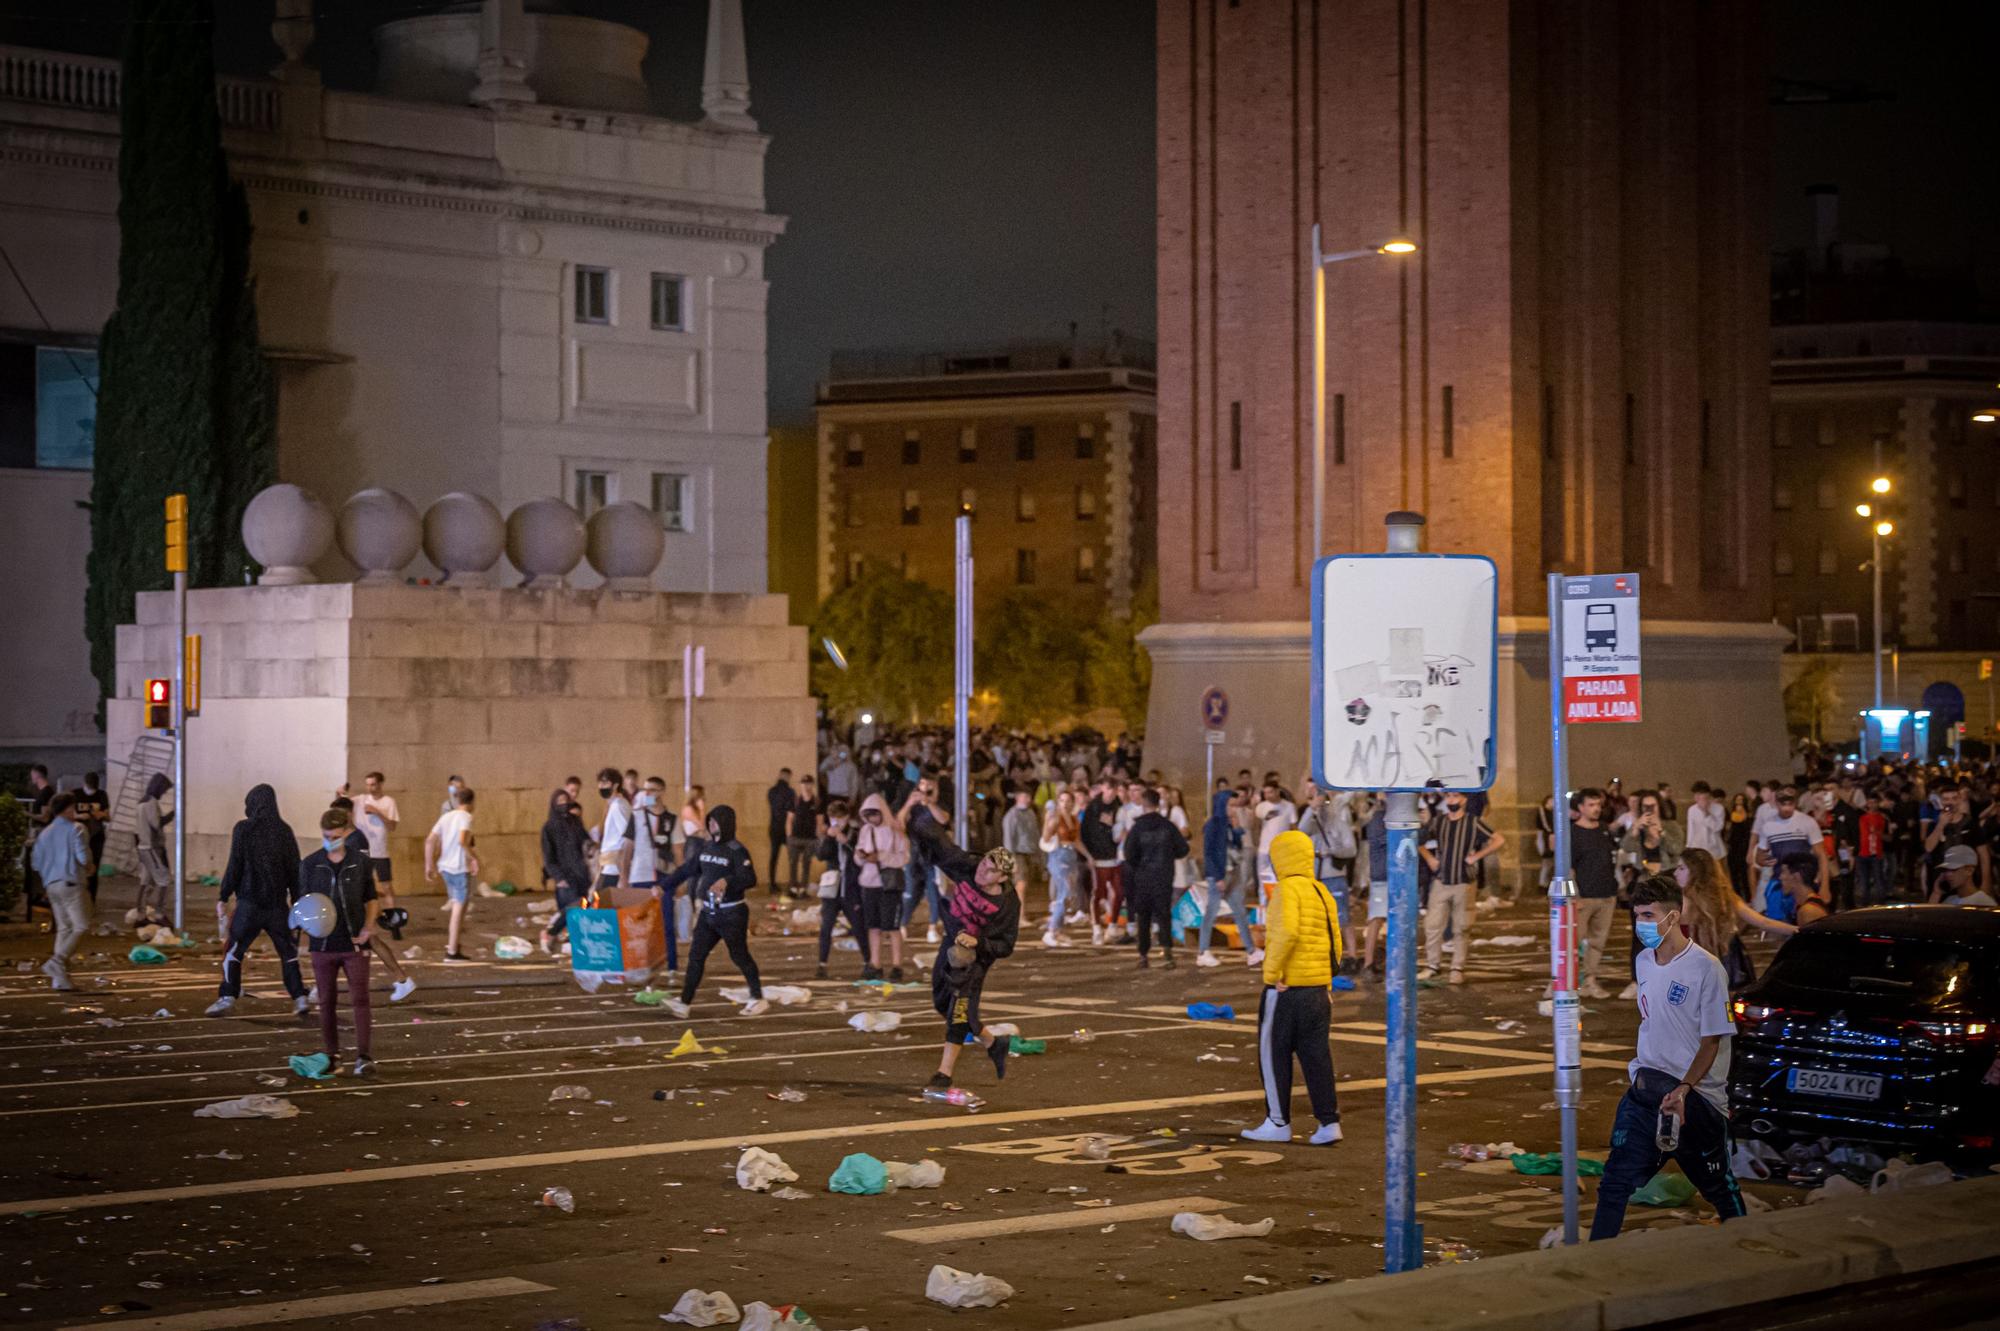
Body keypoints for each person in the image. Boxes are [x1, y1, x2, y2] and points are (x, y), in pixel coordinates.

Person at [1588, 874, 1747, 1240]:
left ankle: (1746, 1247)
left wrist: (1685, 1090)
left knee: (1719, 1187)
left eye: (1648, 915)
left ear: (1673, 917)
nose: (1641, 924)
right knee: (1614, 1183)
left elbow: (1711, 1042)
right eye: (1637, 915)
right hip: (1647, 1092)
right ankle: (1594, 1258)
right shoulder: (1644, 961)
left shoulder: (1706, 969)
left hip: (1696, 1101)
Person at [1240, 828, 1345, 1145]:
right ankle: (1328, 1122)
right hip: (1317, 989)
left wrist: (1272, 974)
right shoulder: (1320, 890)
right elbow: (1335, 940)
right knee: (1317, 1056)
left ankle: (1278, 1121)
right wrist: (1327, 977)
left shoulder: (1287, 891)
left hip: (1287, 989)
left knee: (1273, 1056)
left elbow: (1286, 934)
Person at [914, 826, 1021, 1095]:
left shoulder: (1007, 904)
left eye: (992, 869)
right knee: (941, 1002)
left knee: (960, 1012)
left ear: (1003, 877)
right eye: (986, 861)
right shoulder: (967, 866)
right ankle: (993, 1043)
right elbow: (943, 849)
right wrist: (919, 822)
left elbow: (1006, 945)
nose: (984, 870)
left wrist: (979, 942)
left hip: (974, 959)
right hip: (951, 945)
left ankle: (944, 1074)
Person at [208, 784, 309, 1017]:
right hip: (276, 905)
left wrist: (223, 895)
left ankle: (227, 996)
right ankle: (299, 997)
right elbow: (294, 869)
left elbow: (235, 864)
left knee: (234, 950)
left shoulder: (243, 829)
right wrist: (297, 901)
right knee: (288, 951)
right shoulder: (284, 830)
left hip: (249, 903)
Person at [657, 805, 766, 1018]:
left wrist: (728, 880)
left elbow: (750, 878)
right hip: (709, 913)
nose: (711, 825)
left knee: (739, 955)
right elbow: (687, 869)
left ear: (725, 823)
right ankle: (684, 1003)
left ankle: (757, 998)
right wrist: (664, 885)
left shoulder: (737, 850)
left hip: (732, 913)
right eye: (710, 821)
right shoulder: (706, 848)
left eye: (715, 821)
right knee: (696, 956)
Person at [301, 808, 377, 1076]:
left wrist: (368, 928)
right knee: (327, 1001)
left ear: (346, 832)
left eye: (334, 835)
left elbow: (371, 898)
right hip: (322, 945)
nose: (329, 840)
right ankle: (332, 1055)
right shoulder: (311, 864)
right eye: (325, 835)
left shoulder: (360, 862)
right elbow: (302, 903)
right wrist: (303, 927)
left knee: (360, 999)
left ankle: (363, 1056)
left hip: (354, 943)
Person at [1674, 847, 1793, 990]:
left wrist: (1798, 930)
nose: (1675, 873)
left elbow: (1762, 921)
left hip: (1719, 970)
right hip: (1689, 973)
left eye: (1681, 868)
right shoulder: (1676, 901)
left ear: (1696, 872)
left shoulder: (1722, 898)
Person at [1418, 791, 1502, 985]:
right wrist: (1430, 859)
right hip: (1441, 880)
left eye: (1455, 797)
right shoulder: (1439, 822)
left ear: (1464, 800)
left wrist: (1476, 856)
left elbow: (1498, 839)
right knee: (1432, 925)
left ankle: (1457, 967)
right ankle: (1433, 965)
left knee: (1462, 927)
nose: (1451, 801)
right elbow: (1418, 840)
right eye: (1448, 797)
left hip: (1464, 881)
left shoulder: (1473, 822)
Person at [345, 772, 416, 1002]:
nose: (370, 788)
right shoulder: (357, 804)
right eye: (367, 785)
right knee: (362, 941)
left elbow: (393, 826)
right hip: (359, 894)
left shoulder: (386, 804)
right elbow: (344, 799)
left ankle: (392, 922)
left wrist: (377, 812)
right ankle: (401, 980)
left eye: (374, 784)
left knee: (384, 889)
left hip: (378, 854)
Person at [1122, 787, 1190, 969]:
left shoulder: (1138, 827)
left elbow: (1129, 854)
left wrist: (1139, 866)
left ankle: (1143, 954)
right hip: (1164, 875)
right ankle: (1167, 952)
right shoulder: (1167, 826)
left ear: (1144, 804)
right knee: (1163, 914)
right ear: (1158, 803)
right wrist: (1168, 856)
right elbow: (1183, 849)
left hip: (1143, 876)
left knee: (1143, 916)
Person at [32, 793, 91, 990]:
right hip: (71, 882)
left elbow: (36, 863)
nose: (75, 813)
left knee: (64, 928)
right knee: (81, 926)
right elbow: (83, 858)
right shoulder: (76, 829)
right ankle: (57, 961)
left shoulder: (45, 833)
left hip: (51, 884)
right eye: (73, 809)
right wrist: (90, 866)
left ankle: (60, 980)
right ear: (66, 809)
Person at [1570, 789, 1620, 1000]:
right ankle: (1566, 984)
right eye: (1591, 805)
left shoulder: (1603, 829)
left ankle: (1590, 980)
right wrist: (1575, 896)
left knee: (1598, 942)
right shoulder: (1572, 833)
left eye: (1598, 805)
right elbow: (1568, 868)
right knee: (1572, 942)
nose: (1596, 809)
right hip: (1584, 896)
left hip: (1606, 894)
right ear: (1580, 808)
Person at [856, 792, 910, 980]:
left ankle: (897, 965)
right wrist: (862, 856)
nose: (872, 819)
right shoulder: (866, 830)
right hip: (869, 883)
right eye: (868, 815)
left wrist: (881, 857)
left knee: (892, 926)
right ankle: (875, 963)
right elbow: (857, 855)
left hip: (890, 885)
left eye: (875, 814)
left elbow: (904, 857)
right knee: (873, 926)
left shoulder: (895, 830)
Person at [423, 785, 478, 962]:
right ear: (472, 802)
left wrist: (429, 864)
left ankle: (455, 947)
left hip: (445, 867)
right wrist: (474, 858)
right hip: (459, 867)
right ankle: (452, 950)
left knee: (457, 906)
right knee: (458, 908)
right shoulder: (466, 817)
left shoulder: (446, 817)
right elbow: (463, 841)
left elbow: (430, 840)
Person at [538, 790, 594, 959]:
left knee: (583, 908)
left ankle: (569, 943)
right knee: (571, 910)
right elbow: (549, 857)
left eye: (566, 800)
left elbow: (586, 843)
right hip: (565, 877)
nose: (564, 804)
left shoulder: (575, 822)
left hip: (582, 875)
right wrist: (558, 877)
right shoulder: (548, 828)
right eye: (560, 801)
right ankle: (552, 932)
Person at [1082, 780, 1123, 945]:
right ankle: (1097, 928)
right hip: (1098, 857)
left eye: (1114, 789)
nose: (1111, 793)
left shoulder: (1118, 805)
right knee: (1097, 893)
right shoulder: (1094, 807)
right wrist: (1089, 856)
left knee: (1119, 891)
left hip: (1115, 855)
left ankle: (1112, 924)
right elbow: (1087, 831)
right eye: (1109, 789)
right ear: (1103, 789)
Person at [132, 774, 175, 926]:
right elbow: (157, 824)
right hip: (153, 848)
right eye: (164, 790)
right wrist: (173, 813)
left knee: (146, 882)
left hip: (143, 847)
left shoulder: (141, 802)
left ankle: (140, 915)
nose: (163, 793)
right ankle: (159, 914)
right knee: (164, 880)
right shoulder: (151, 803)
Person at [71, 771, 110, 903]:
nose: (91, 792)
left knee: (93, 866)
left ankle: (91, 898)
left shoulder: (102, 795)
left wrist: (100, 814)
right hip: (79, 835)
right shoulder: (75, 794)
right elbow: (68, 814)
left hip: (96, 835)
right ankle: (79, 897)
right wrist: (79, 816)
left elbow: (108, 816)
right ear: (84, 784)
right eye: (89, 789)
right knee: (78, 865)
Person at [594, 767, 634, 890]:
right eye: (600, 783)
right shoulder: (613, 805)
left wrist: (623, 874)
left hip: (614, 868)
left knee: (602, 905)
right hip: (608, 866)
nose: (601, 786)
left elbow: (627, 836)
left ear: (615, 785)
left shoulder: (618, 805)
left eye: (605, 783)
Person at [1773, 851, 1833, 926]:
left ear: (1797, 877)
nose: (1780, 877)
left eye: (1783, 872)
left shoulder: (1809, 911)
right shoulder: (1802, 905)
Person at [1001, 788, 1040, 902]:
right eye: (1025, 796)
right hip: (1018, 853)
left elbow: (1035, 833)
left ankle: (1022, 912)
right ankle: (1020, 915)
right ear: (1017, 797)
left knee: (1026, 884)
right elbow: (1008, 839)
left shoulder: (1030, 812)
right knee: (1021, 883)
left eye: (1029, 797)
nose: (1028, 800)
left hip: (1030, 852)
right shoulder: (1011, 816)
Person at [1931, 844, 1997, 907]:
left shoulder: (1985, 903)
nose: (1947, 874)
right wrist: (1936, 893)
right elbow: (1929, 917)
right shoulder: (1949, 900)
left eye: (1953, 869)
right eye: (1946, 870)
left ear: (1969, 871)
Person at [1856, 794, 1891, 907]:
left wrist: (1877, 832)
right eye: (1870, 802)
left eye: (1874, 802)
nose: (1872, 805)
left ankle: (1880, 903)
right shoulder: (1862, 818)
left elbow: (1889, 837)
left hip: (1877, 853)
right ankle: (1864, 904)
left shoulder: (1883, 818)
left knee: (1878, 879)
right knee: (1864, 881)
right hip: (1862, 853)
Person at [765, 768, 796, 891]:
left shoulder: (771, 791)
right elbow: (791, 810)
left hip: (773, 827)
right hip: (786, 828)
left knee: (774, 856)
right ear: (788, 777)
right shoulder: (790, 792)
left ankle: (772, 884)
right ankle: (792, 884)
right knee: (792, 857)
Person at [1684, 782, 1725, 860]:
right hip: (1696, 846)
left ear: (1708, 795)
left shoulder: (1719, 808)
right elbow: (1690, 830)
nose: (1697, 797)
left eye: (1699, 794)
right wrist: (1688, 846)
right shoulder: (1692, 809)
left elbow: (1717, 828)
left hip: (1714, 848)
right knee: (1683, 870)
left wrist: (1705, 811)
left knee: (1715, 871)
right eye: (1695, 794)